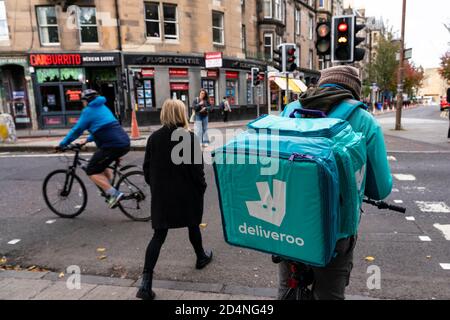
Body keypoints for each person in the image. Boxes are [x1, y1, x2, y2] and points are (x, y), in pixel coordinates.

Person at [280, 66, 393, 300]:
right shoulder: (363, 120)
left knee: (287, 288)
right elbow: (380, 189)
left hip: (287, 222)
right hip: (336, 231)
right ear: (354, 90)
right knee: (329, 294)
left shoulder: (290, 110)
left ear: (322, 84)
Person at [137, 99, 213, 300]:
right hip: (187, 194)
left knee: (158, 236)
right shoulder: (188, 138)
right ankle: (201, 257)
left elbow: (146, 169)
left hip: (163, 196)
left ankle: (145, 283)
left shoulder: (154, 138)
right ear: (181, 115)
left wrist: (157, 187)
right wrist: (202, 188)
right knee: (193, 224)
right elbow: (197, 171)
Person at [57, 89, 130, 208]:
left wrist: (62, 144)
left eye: (83, 101)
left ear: (87, 100)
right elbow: (102, 128)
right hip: (123, 142)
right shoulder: (103, 107)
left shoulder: (88, 111)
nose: (83, 103)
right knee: (101, 164)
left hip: (112, 145)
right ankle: (109, 188)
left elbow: (77, 130)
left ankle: (114, 194)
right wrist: (87, 140)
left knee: (91, 170)